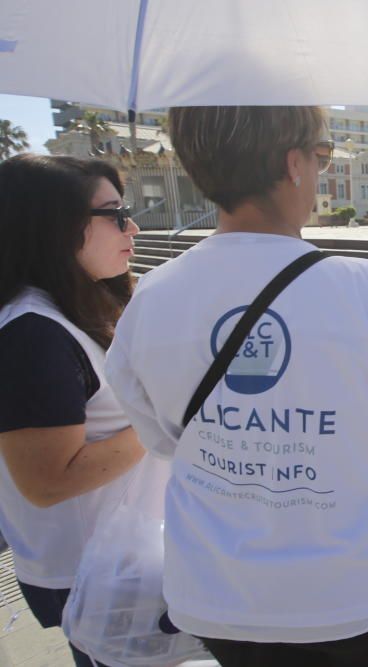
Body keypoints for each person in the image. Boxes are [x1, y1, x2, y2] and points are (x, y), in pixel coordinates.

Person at [105, 106, 368, 666]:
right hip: (367, 593)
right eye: (322, 157)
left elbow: (161, 438)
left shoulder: (151, 298)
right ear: (292, 163)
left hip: (221, 595)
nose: (322, 172)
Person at [0, 154, 145, 667]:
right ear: (55, 226)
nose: (131, 226)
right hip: (87, 575)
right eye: (113, 213)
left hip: (116, 560)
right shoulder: (32, 334)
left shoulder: (75, 308)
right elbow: (46, 481)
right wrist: (164, 416)